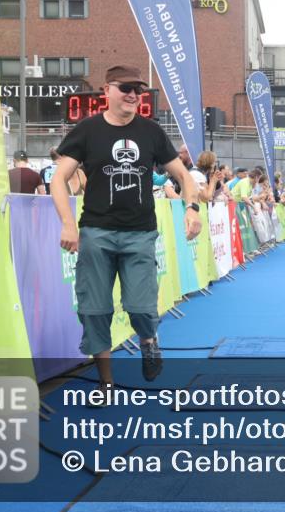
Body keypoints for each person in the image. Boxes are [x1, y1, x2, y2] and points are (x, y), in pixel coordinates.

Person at [50, 65, 202, 399]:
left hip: (139, 234)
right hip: (96, 232)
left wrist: (192, 209)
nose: (133, 95)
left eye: (139, 90)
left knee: (140, 308)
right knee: (94, 310)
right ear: (107, 90)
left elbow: (184, 176)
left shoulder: (151, 132)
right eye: (126, 88)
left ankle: (149, 340)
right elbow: (58, 178)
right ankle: (105, 383)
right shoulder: (87, 130)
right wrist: (67, 223)